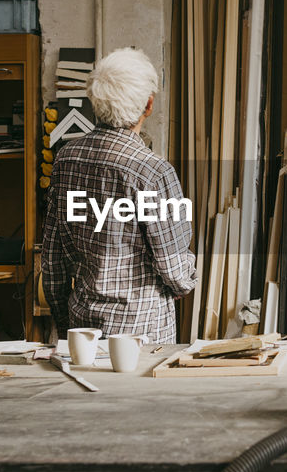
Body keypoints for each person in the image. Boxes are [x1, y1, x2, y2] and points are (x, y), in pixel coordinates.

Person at [41, 47, 196, 344]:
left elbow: (53, 258)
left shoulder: (65, 159)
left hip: (83, 324)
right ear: (148, 105)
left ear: (94, 102)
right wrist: (184, 283)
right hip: (142, 332)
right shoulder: (154, 171)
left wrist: (64, 324)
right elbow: (174, 269)